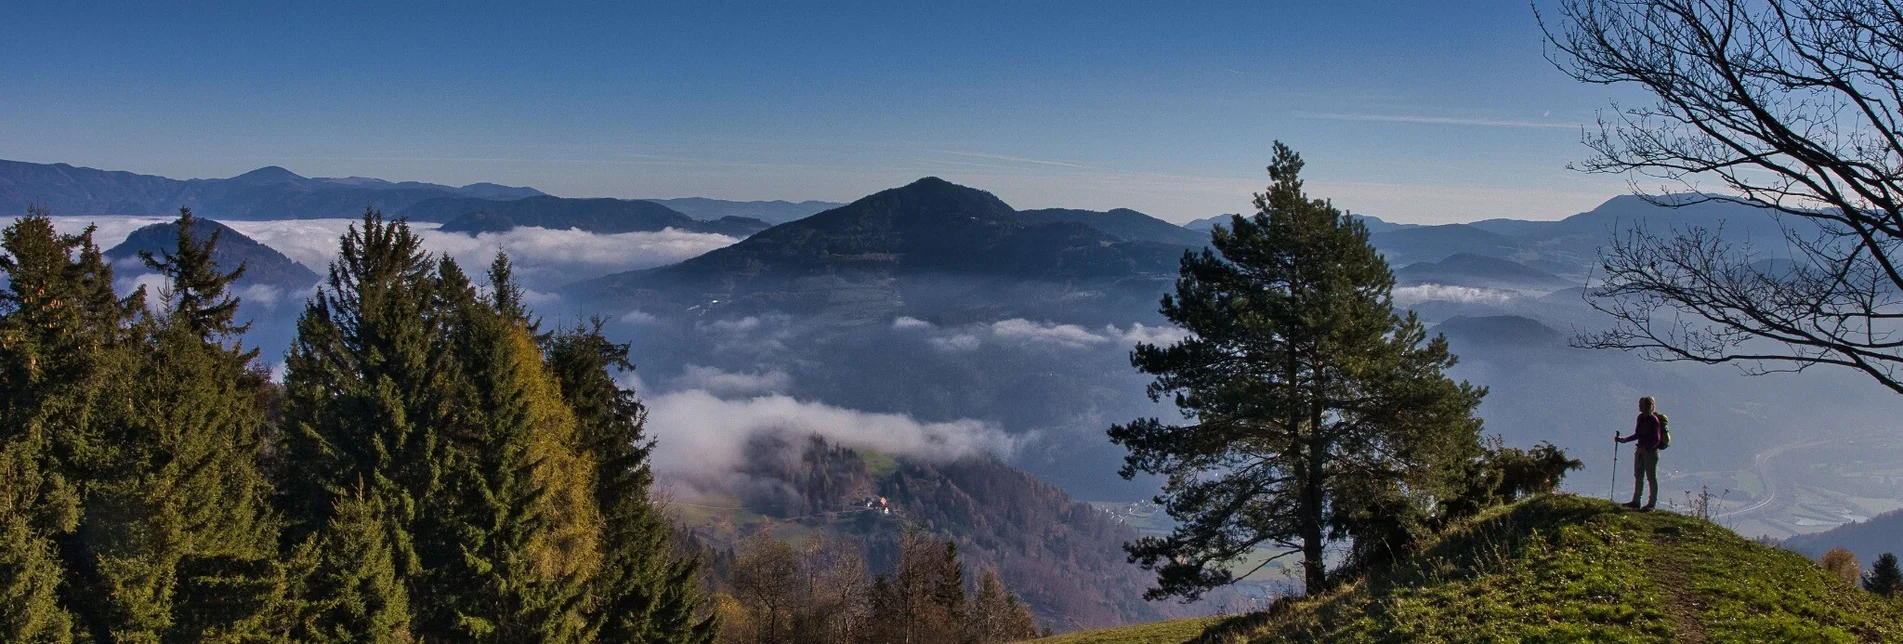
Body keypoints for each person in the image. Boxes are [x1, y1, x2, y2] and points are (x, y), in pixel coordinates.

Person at [1616, 396, 1663, 511]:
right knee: (1639, 476)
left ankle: (1651, 504)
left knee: (1651, 477)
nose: (1639, 406)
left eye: (1641, 404)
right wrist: (1624, 440)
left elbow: (1657, 439)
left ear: (1647, 406)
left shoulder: (1653, 420)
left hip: (1649, 452)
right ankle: (1636, 501)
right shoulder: (1641, 418)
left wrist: (1647, 448)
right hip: (1642, 450)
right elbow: (1637, 434)